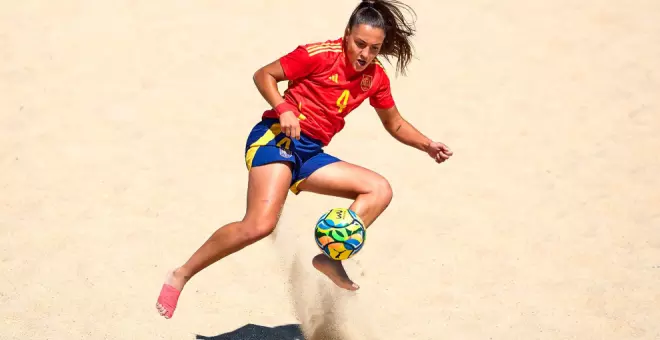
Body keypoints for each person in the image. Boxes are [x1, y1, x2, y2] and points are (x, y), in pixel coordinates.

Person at [156, 0, 453, 319]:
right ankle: (181, 274)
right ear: (346, 35)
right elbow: (264, 75)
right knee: (259, 225)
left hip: (310, 153)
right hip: (276, 139)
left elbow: (394, 123)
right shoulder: (319, 54)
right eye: (360, 44)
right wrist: (284, 108)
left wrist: (428, 144)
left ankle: (330, 257)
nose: (365, 54)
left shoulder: (376, 78)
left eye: (374, 48)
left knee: (379, 190)